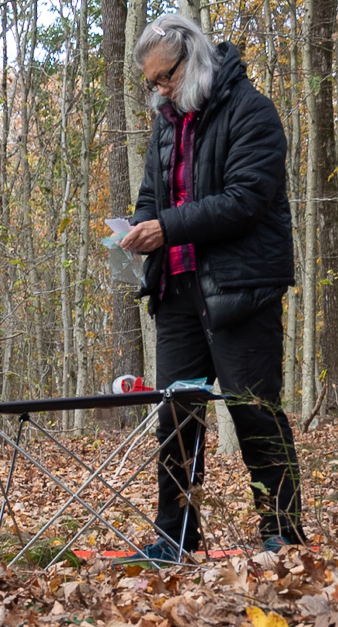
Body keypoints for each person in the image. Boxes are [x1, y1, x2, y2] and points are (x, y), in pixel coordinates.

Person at [118, 15, 306, 562]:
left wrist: (168, 227)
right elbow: (152, 196)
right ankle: (174, 538)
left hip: (240, 289)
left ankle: (283, 534)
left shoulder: (252, 111)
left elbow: (246, 199)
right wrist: (140, 228)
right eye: (152, 82)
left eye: (166, 76)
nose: (160, 89)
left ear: (194, 59)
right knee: (176, 418)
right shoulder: (165, 124)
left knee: (254, 411)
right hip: (176, 291)